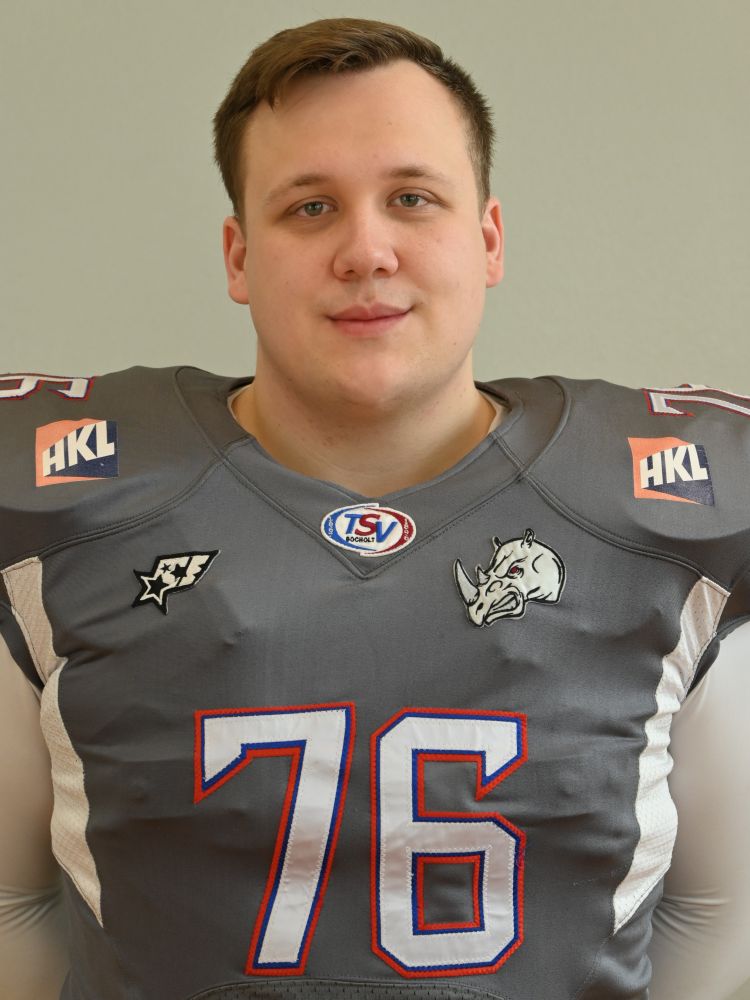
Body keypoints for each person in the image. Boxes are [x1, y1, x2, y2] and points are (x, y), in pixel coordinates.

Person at [0, 16, 748, 1000]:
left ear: (488, 238)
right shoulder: (69, 505)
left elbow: (722, 912)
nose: (366, 249)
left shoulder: (669, 509)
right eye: (310, 207)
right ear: (238, 255)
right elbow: (12, 904)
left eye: (412, 198)